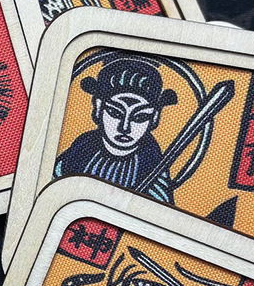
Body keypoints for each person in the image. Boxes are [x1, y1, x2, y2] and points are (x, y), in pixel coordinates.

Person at [55, 57, 177, 202]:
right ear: (99, 108)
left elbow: (160, 209)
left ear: (155, 117)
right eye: (115, 113)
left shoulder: (151, 164)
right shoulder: (81, 151)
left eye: (140, 117)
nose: (125, 127)